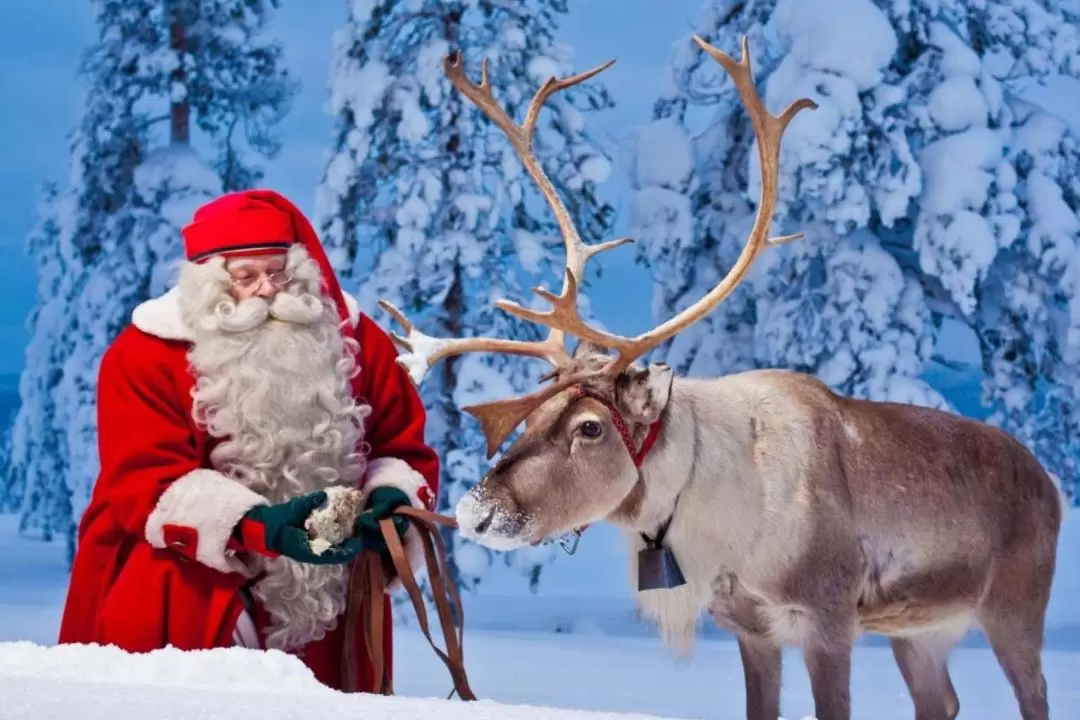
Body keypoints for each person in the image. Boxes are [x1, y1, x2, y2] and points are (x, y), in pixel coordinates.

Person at [57, 189, 439, 693]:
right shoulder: (143, 355)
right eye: (246, 277)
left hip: (329, 594)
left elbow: (401, 444)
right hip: (196, 592)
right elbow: (143, 483)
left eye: (279, 273)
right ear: (209, 282)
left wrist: (390, 497)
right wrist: (261, 524)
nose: (267, 291)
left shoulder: (354, 340)